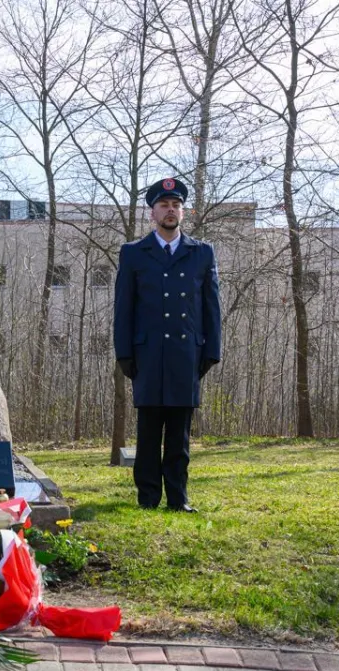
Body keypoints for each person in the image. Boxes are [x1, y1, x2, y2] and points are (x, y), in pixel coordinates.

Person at [113, 177, 221, 513]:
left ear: (183, 212)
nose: (170, 210)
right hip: (147, 355)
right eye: (164, 205)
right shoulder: (134, 253)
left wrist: (211, 351)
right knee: (148, 432)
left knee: (179, 434)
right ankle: (148, 498)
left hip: (186, 354)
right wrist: (124, 352)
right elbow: (123, 307)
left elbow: (211, 306)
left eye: (176, 205)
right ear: (152, 213)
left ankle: (178, 497)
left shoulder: (201, 252)